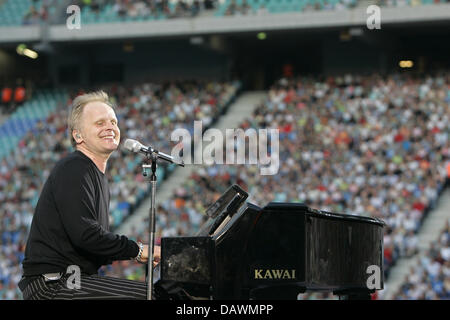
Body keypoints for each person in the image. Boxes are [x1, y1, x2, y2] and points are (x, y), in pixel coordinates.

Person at [18, 90, 159, 300]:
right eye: (100, 123)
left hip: (71, 281)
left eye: (113, 121)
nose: (110, 127)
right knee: (153, 297)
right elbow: (86, 236)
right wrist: (139, 251)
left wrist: (139, 254)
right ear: (78, 135)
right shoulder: (75, 167)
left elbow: (93, 246)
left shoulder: (93, 174)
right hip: (52, 286)